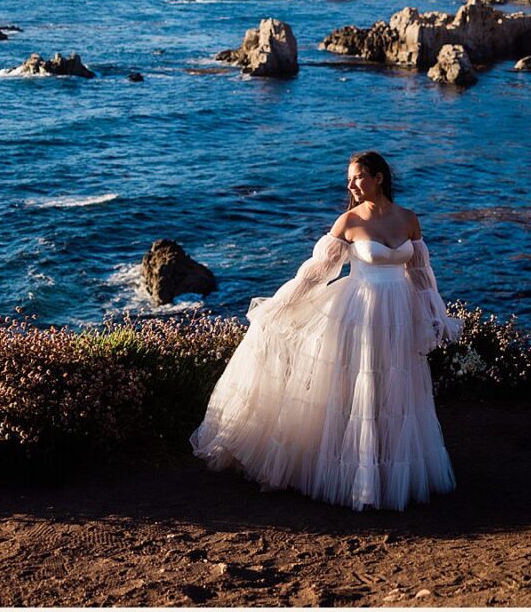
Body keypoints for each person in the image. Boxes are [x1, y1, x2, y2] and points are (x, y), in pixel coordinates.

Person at [190, 151, 463, 511]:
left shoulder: (409, 220)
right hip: (360, 312)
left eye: (357, 176)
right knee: (358, 390)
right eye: (349, 179)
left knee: (395, 389)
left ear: (379, 177)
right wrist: (281, 307)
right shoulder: (348, 222)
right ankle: (359, 477)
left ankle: (390, 471)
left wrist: (434, 314)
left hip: (398, 313)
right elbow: (315, 273)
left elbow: (421, 276)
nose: (350, 184)